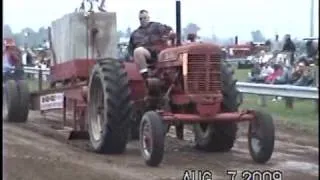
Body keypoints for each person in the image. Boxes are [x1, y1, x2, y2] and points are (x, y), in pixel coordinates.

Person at [128, 9, 174, 79]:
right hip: (147, 55)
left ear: (148, 18)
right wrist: (131, 57)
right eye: (141, 19)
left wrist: (168, 36)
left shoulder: (157, 26)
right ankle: (145, 76)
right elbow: (130, 49)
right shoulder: (135, 34)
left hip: (159, 53)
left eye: (145, 18)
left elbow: (168, 31)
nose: (143, 20)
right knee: (138, 51)